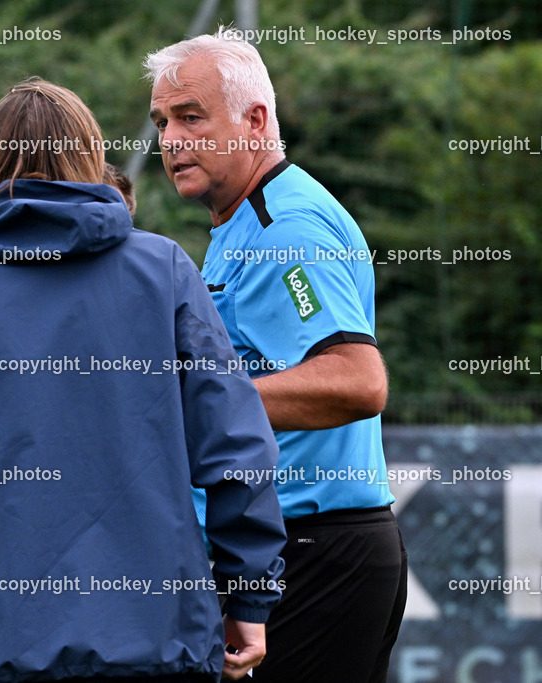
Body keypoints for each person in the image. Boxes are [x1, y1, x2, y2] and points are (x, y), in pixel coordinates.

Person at [0, 76, 286, 683]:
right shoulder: (165, 272)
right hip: (155, 646)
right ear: (89, 155)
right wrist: (249, 598)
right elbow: (236, 451)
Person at [144, 32, 407, 683]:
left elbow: (357, 380)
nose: (170, 139)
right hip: (294, 550)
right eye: (162, 122)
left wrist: (193, 400)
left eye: (191, 117)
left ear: (255, 120)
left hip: (315, 552)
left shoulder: (282, 229)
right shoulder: (245, 221)